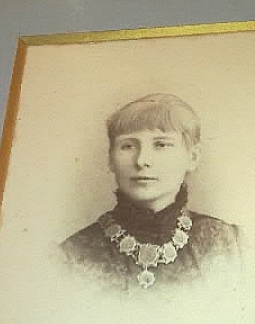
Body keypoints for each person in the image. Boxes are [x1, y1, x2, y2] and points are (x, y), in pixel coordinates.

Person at [61, 93, 241, 292]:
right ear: (111, 159)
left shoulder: (226, 242)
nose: (141, 161)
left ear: (193, 157)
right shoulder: (71, 256)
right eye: (128, 146)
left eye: (161, 145)